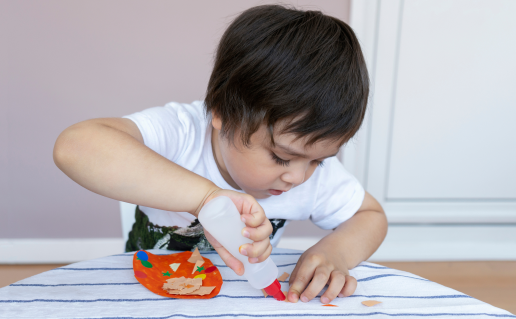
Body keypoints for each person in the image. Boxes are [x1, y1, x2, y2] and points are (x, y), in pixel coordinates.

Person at [53, 5, 387, 305]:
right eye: (281, 158)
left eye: (318, 160)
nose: (298, 177)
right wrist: (205, 198)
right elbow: (74, 147)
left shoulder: (309, 176)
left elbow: (371, 216)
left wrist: (334, 252)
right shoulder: (181, 134)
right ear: (221, 114)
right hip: (146, 294)